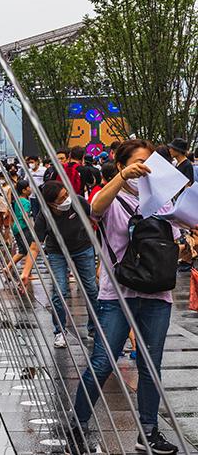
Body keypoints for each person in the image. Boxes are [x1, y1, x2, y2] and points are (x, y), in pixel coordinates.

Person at [68, 140, 184, 455]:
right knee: (103, 361)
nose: (145, 169)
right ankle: (77, 426)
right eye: (138, 163)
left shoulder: (162, 202)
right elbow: (94, 209)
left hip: (158, 295)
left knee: (150, 364)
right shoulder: (113, 197)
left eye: (149, 163)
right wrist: (121, 178)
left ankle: (149, 432)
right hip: (117, 294)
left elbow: (176, 244)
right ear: (122, 166)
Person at [20, 181, 98, 348]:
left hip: (83, 248)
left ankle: (94, 327)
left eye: (66, 194)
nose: (67, 199)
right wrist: (25, 272)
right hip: (57, 253)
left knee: (91, 288)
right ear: (51, 203)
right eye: (62, 198)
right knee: (59, 292)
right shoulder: (44, 216)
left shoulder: (77, 202)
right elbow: (35, 246)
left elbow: (97, 217)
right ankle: (60, 331)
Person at [5, 179, 32, 290]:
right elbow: (25, 216)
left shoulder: (17, 201)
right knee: (29, 250)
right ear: (24, 190)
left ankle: (8, 268)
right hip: (23, 228)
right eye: (29, 187)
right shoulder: (26, 202)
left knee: (23, 250)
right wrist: (32, 227)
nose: (30, 189)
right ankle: (26, 273)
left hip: (16, 227)